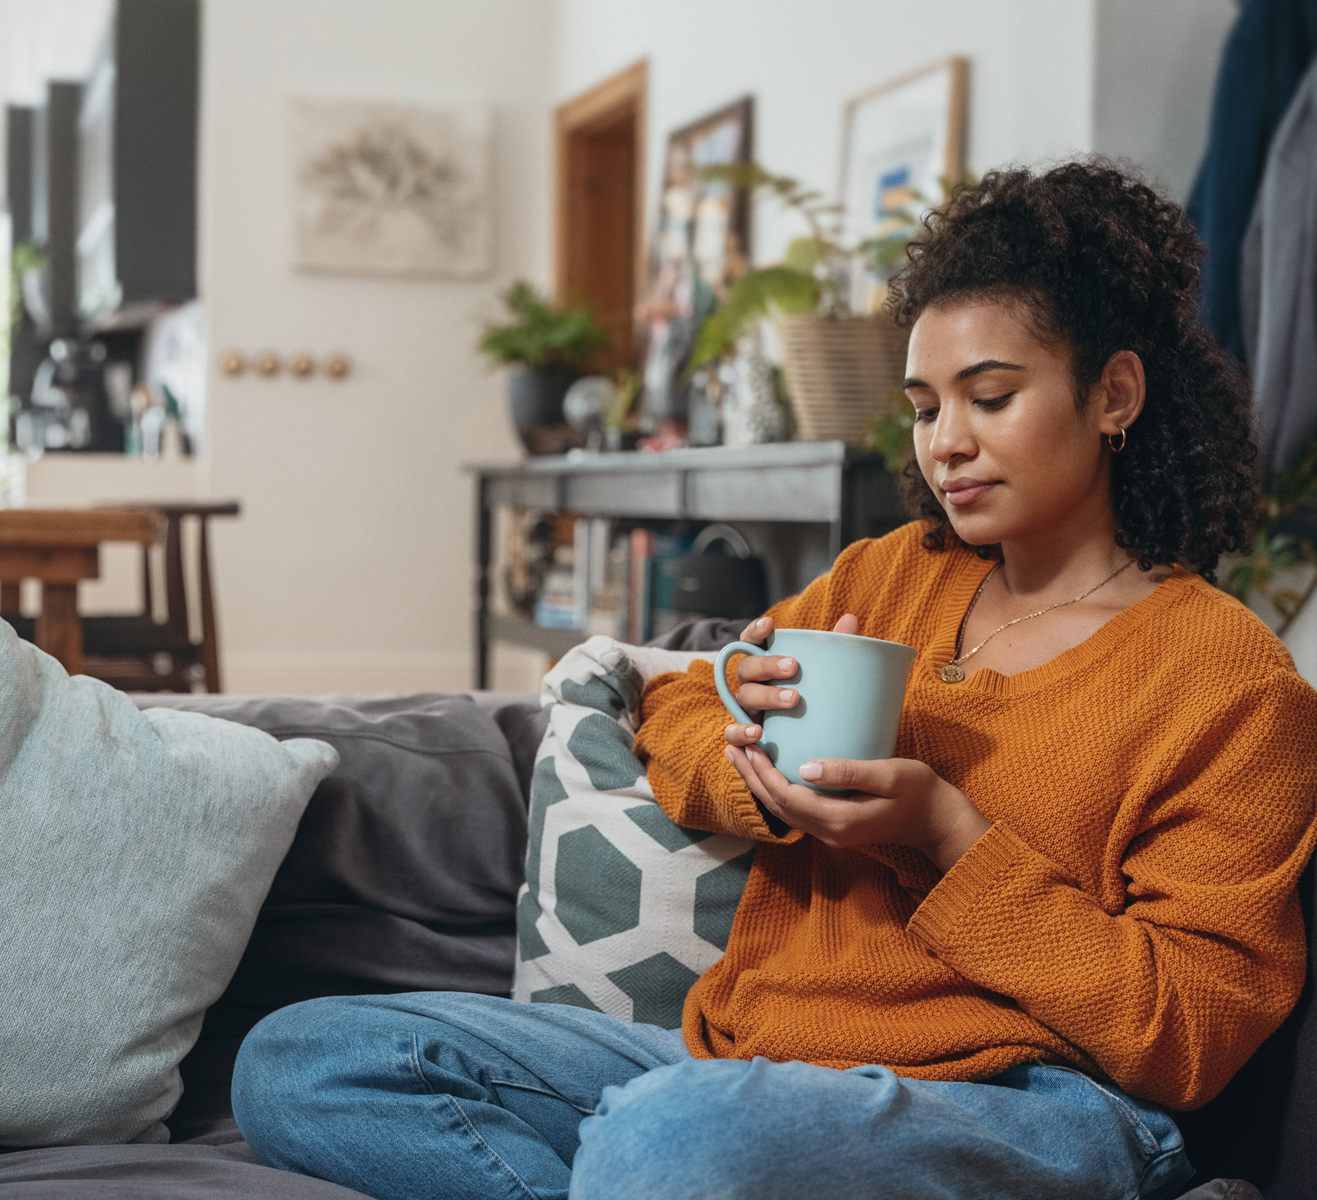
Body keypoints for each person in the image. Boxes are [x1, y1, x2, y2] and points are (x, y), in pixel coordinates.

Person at [230, 161, 1317, 1199]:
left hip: (1033, 1104)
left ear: (1113, 392)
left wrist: (945, 835)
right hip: (753, 1071)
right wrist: (751, 763)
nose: (946, 444)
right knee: (302, 1058)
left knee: (670, 1141)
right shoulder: (888, 576)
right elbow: (688, 702)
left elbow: (1190, 1030)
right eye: (926, 405)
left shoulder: (1226, 679)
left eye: (989, 396)